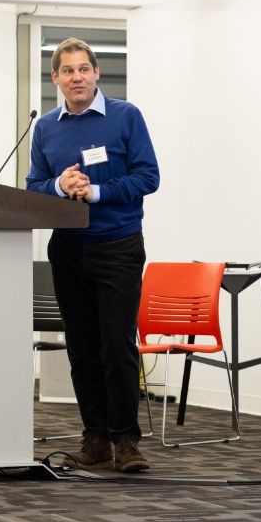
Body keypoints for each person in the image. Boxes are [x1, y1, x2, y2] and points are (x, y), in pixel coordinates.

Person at [27, 38, 160, 472]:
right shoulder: (45, 127)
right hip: (67, 249)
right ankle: (96, 438)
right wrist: (57, 188)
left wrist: (98, 191)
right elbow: (33, 187)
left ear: (97, 73)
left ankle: (126, 441)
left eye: (84, 69)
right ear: (56, 79)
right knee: (81, 350)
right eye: (68, 71)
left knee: (116, 346)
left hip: (118, 246)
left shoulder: (126, 116)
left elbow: (148, 177)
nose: (77, 77)